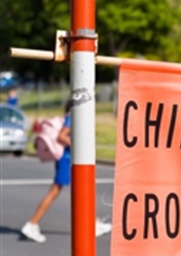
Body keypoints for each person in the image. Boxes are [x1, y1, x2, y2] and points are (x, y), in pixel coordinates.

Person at [21, 100, 112, 243]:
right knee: (54, 192)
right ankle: (32, 224)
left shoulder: (71, 116)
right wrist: (80, 145)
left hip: (69, 159)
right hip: (67, 159)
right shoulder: (73, 116)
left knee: (84, 190)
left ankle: (93, 223)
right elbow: (62, 136)